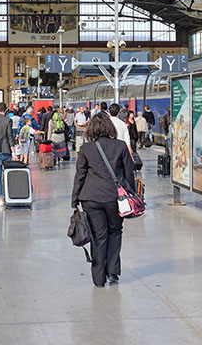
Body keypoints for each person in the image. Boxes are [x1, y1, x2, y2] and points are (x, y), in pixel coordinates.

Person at [71, 112, 136, 288]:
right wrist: (130, 193)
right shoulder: (121, 146)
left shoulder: (86, 149)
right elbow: (129, 172)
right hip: (115, 198)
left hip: (91, 198)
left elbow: (80, 176)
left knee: (98, 236)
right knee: (115, 232)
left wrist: (75, 199)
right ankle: (113, 272)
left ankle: (99, 279)